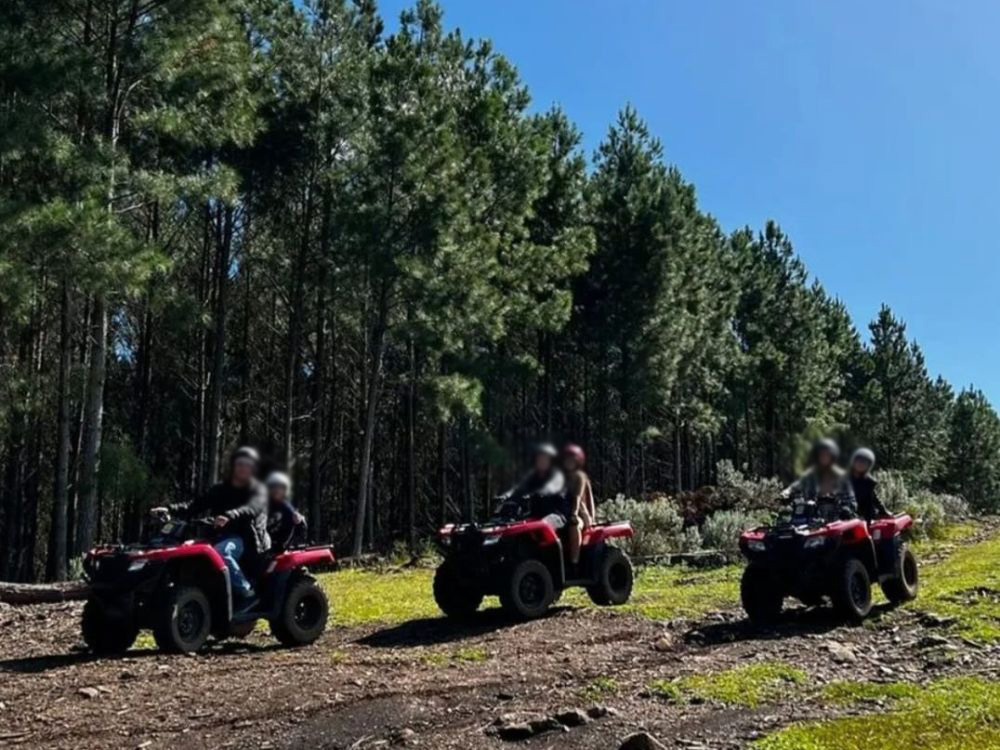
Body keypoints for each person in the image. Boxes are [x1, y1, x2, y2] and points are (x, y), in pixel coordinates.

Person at [152, 446, 269, 612]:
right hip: (220, 535)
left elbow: (250, 509)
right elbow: (196, 504)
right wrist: (170, 509)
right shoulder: (221, 489)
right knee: (186, 549)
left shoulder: (258, 490)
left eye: (246, 465)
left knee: (223, 552)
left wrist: (229, 515)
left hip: (248, 538)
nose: (242, 468)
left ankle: (246, 592)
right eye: (239, 464)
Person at [496, 442, 566, 532]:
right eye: (539, 458)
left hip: (556, 514)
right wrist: (505, 496)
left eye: (544, 458)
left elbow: (551, 488)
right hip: (537, 515)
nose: (541, 461)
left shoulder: (557, 476)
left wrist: (535, 492)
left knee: (543, 526)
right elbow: (518, 488)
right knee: (518, 527)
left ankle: (556, 546)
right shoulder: (533, 476)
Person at [781, 438, 857, 517]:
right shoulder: (811, 475)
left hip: (836, 519)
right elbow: (797, 484)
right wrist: (787, 491)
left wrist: (846, 508)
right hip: (812, 518)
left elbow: (852, 501)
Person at [562, 444, 595, 574]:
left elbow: (577, 497)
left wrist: (574, 514)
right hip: (565, 513)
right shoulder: (562, 477)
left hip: (580, 514)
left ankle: (574, 563)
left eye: (571, 460)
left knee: (573, 527)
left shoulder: (579, 477)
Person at [266, 471, 307, 553]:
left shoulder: (286, 506)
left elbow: (301, 528)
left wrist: (300, 521)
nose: (277, 490)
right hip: (262, 546)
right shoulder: (262, 504)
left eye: (280, 488)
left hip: (279, 549)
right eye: (274, 487)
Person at [849, 447, 890, 521]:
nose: (860, 464)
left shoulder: (869, 481)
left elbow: (874, 498)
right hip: (847, 514)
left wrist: (884, 511)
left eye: (864, 462)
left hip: (865, 516)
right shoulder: (845, 479)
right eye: (858, 461)